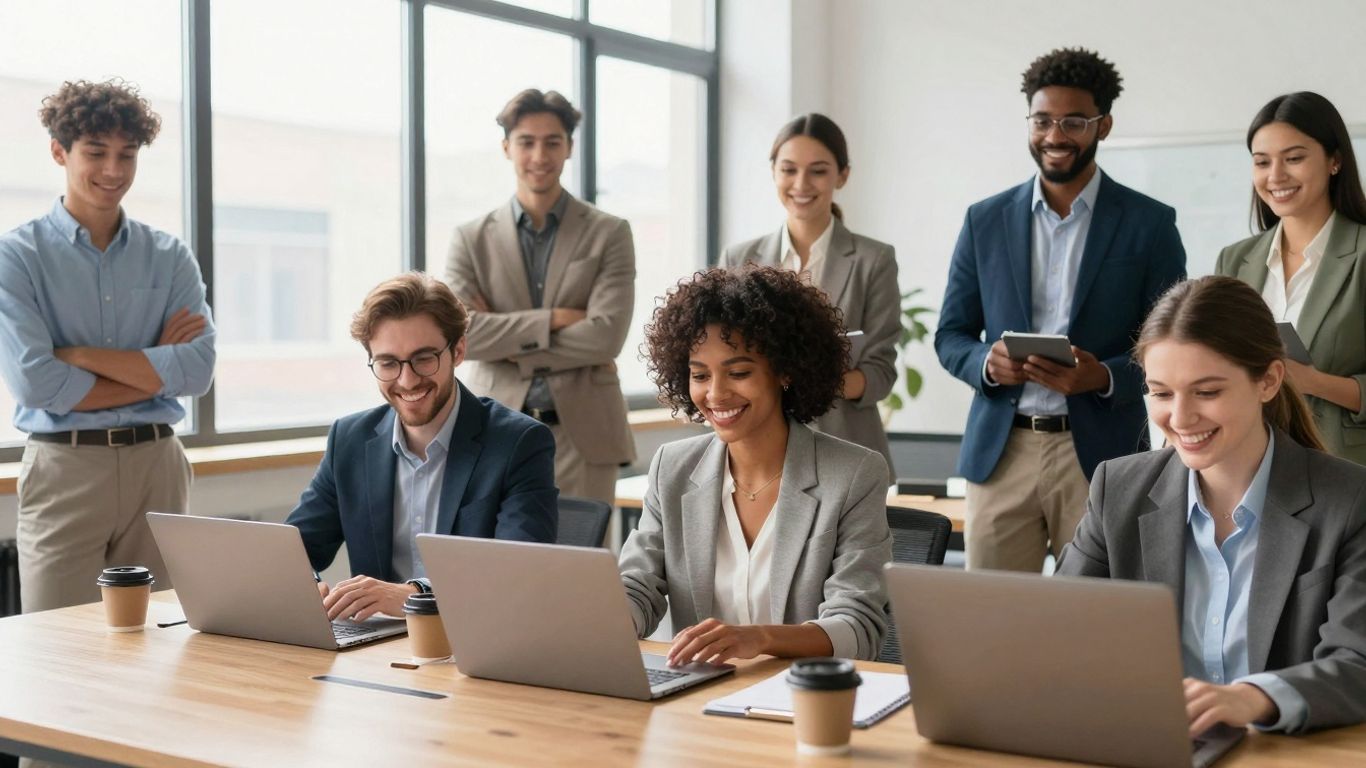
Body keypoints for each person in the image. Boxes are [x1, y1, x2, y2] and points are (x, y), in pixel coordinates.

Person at [1057, 275, 1366, 734]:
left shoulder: (1349, 500)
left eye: (1207, 392)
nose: (1179, 419)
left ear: (1269, 381)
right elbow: (1058, 632)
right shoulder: (1117, 488)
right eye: (1161, 393)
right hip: (1148, 744)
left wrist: (1251, 698)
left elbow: (1357, 664)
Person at [935, 47, 1186, 572]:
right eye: (1043, 120)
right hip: (1001, 455)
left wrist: (1103, 376)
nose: (1055, 135)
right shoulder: (984, 221)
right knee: (993, 624)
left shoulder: (1150, 224)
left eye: (1074, 121)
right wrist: (986, 363)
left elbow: (1173, 346)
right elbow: (951, 335)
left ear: (1104, 125)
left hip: (1101, 455)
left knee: (1098, 622)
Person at [0, 79, 215, 613]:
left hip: (158, 467)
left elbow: (197, 371)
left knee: (162, 644)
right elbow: (37, 383)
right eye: (96, 152)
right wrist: (151, 367)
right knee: (55, 648)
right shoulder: (16, 257)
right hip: (65, 468)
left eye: (127, 154)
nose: (113, 171)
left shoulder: (169, 255)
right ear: (59, 151)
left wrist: (77, 356)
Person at [619, 266, 892, 663]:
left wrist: (760, 638)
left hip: (799, 699)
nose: (715, 394)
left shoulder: (853, 474)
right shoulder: (672, 468)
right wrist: (605, 620)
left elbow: (858, 626)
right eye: (699, 375)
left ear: (784, 371)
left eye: (739, 373)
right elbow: (637, 586)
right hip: (694, 697)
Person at [286, 272, 557, 622]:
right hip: (373, 649)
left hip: (473, 640)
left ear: (458, 350)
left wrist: (416, 595)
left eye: (424, 358)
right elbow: (295, 552)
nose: (407, 379)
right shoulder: (350, 439)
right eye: (387, 363)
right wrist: (305, 587)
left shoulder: (518, 443)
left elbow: (519, 570)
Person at [445, 88, 635, 507]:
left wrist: (513, 347)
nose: (539, 155)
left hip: (584, 437)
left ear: (568, 147)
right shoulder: (470, 239)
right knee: (497, 566)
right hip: (495, 429)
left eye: (552, 142)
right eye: (526, 142)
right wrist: (553, 319)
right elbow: (466, 337)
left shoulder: (609, 232)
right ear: (506, 148)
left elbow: (606, 337)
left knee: (578, 568)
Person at [721, 114, 899, 483]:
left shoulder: (873, 260)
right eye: (789, 170)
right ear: (773, 172)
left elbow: (880, 373)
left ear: (842, 175)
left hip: (848, 453)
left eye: (818, 171)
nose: (801, 184)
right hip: (755, 456)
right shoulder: (738, 259)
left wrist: (807, 381)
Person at [1216, 91, 1366, 466]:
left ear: (1334, 161)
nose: (1275, 176)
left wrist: (1310, 381)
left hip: (1344, 469)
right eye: (1262, 162)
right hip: (1252, 468)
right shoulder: (1234, 260)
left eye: (1294, 158)